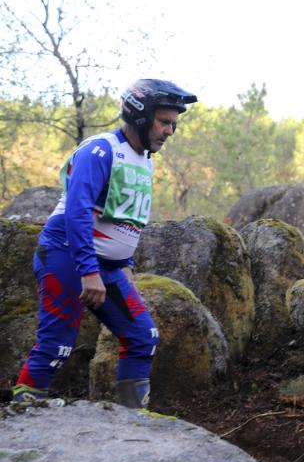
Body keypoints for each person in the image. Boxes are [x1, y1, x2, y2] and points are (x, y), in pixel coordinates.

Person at [11, 79, 197, 408]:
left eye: (173, 124)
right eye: (164, 122)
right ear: (140, 116)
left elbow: (126, 217)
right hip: (66, 256)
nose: (170, 131)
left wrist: (126, 265)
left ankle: (131, 422)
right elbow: (77, 212)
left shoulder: (145, 159)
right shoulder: (100, 150)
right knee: (57, 344)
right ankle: (24, 413)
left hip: (108, 268)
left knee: (142, 336)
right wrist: (88, 271)